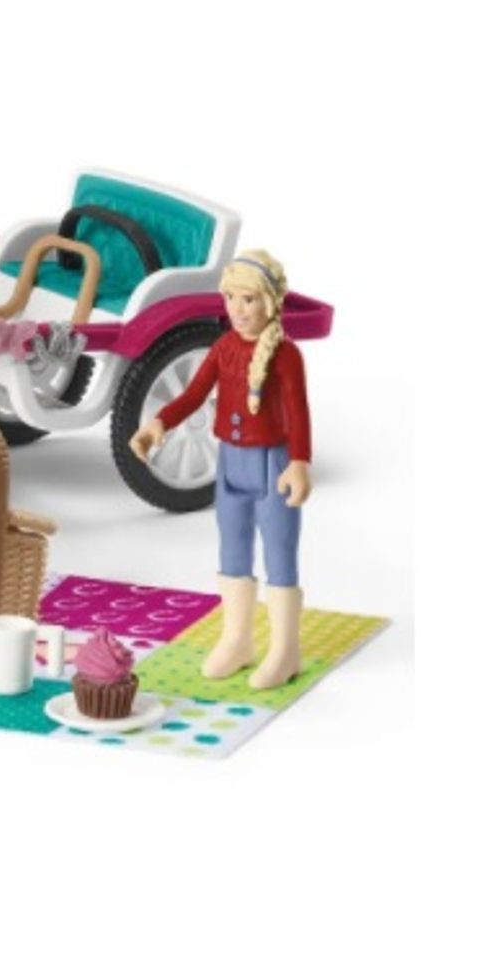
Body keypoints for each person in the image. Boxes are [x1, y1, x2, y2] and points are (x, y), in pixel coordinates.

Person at [130, 250, 311, 688]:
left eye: (249, 299)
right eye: (231, 298)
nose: (238, 309)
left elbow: (298, 413)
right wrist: (159, 424)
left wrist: (299, 463)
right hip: (230, 463)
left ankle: (285, 649)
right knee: (233, 549)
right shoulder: (224, 347)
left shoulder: (286, 355)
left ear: (270, 302)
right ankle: (237, 639)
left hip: (273, 464)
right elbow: (193, 395)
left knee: (279, 552)